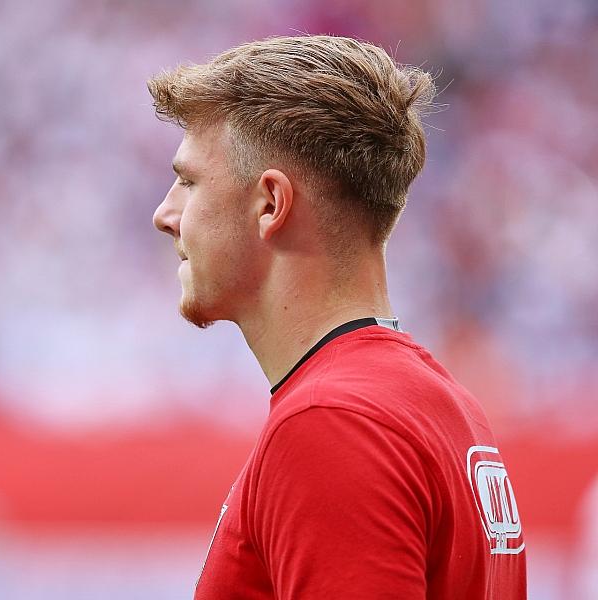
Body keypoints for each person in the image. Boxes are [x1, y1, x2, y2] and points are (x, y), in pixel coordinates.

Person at [148, 35, 526, 599]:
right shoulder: (445, 407)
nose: (165, 214)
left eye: (189, 181)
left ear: (271, 204)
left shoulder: (332, 422)